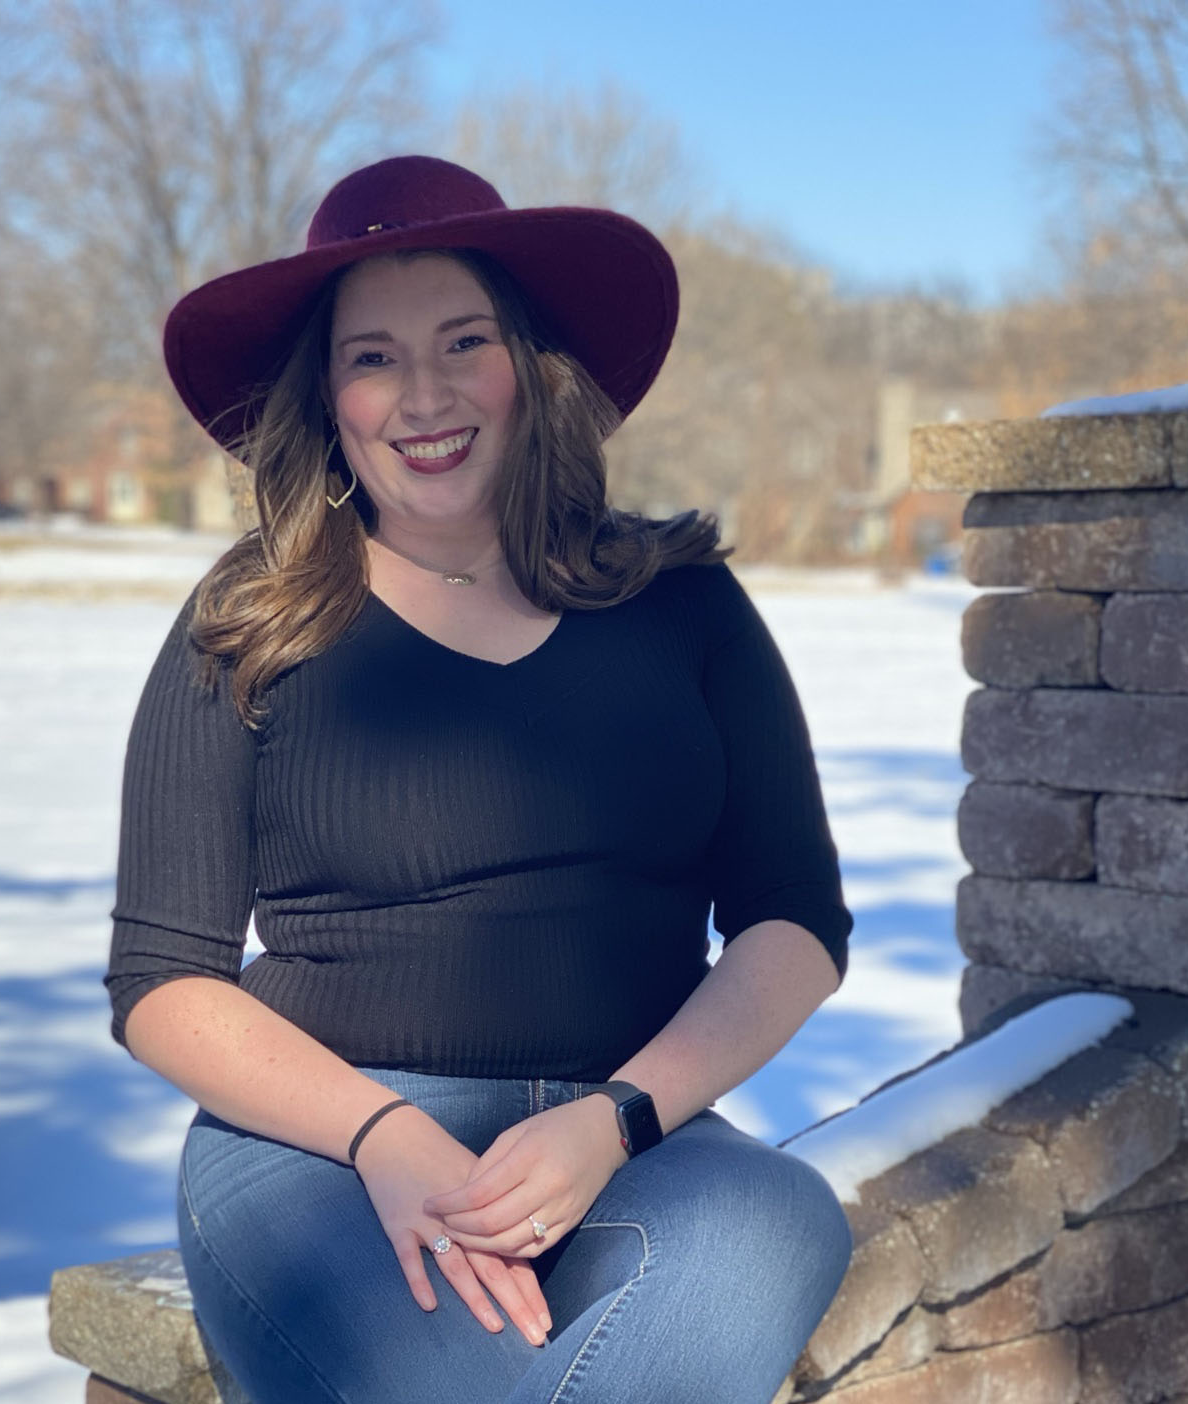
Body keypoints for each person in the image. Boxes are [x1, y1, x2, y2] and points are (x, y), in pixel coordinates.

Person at [105, 154, 856, 1404]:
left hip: (633, 1140)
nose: (424, 395)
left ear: (531, 366)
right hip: (320, 1155)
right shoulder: (251, 621)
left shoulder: (680, 603)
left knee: (779, 1225)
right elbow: (161, 983)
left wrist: (616, 1118)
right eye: (374, 357)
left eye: (465, 341)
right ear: (328, 396)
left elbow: (794, 920)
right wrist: (384, 1136)